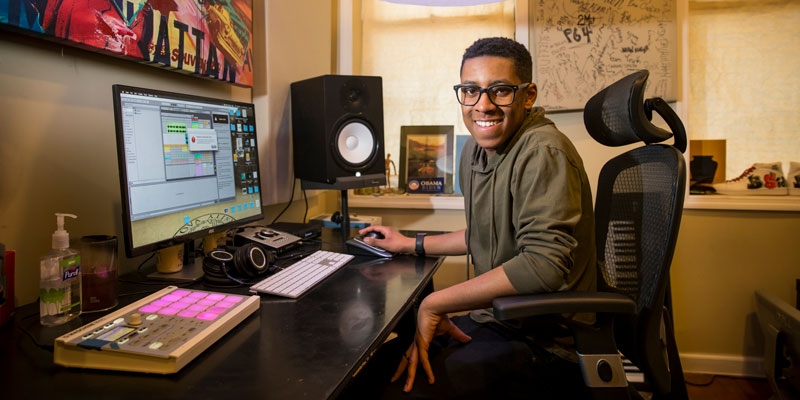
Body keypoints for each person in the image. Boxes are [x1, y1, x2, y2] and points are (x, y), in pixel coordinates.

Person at [342, 37, 596, 399]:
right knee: (378, 367)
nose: (484, 105)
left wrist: (436, 302)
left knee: (394, 389)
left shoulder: (543, 152)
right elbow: (483, 233)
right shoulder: (476, 152)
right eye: (471, 91)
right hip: (498, 319)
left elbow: (544, 265)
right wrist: (410, 243)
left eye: (500, 91)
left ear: (528, 95)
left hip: (546, 341)